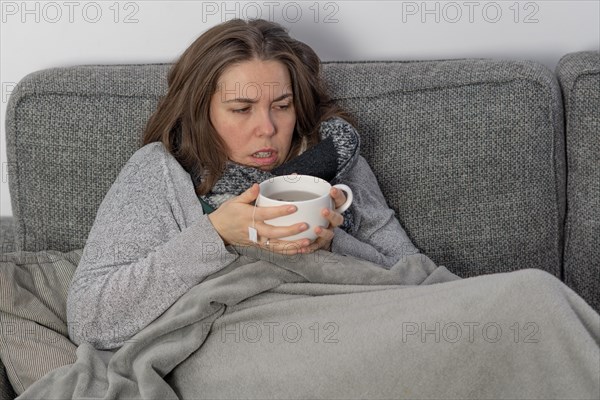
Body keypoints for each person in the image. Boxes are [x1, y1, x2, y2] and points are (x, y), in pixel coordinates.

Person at [66, 18, 419, 350]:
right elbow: (90, 320)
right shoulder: (160, 171)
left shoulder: (335, 156)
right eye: (241, 109)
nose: (266, 128)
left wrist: (331, 248)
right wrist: (215, 234)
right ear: (201, 112)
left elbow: (416, 278)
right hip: (235, 348)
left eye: (282, 106)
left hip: (357, 333)